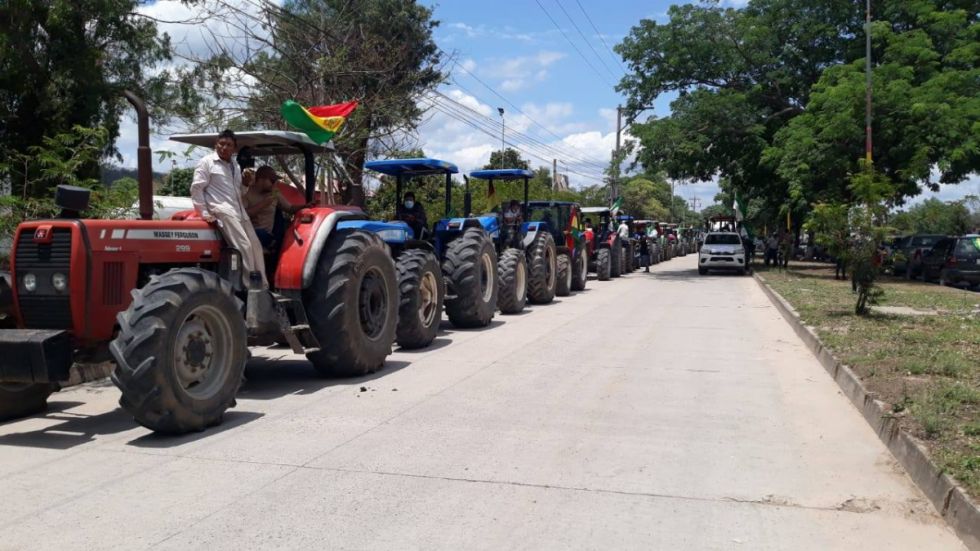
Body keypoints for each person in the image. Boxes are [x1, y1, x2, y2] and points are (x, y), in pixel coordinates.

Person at [190, 129, 266, 286]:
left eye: (228, 145)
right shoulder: (207, 162)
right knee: (243, 245)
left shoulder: (235, 166)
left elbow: (239, 192)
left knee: (256, 245)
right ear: (216, 145)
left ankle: (263, 284)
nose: (224, 147)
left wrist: (245, 183)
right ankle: (250, 286)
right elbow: (197, 189)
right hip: (221, 209)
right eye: (221, 144)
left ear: (234, 148)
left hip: (238, 210)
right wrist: (204, 213)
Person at [244, 165, 308, 250]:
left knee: (259, 233)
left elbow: (290, 208)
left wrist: (305, 206)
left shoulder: (274, 193)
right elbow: (243, 215)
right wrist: (264, 204)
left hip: (266, 235)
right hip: (248, 232)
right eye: (272, 181)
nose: (275, 184)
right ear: (261, 179)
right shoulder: (246, 193)